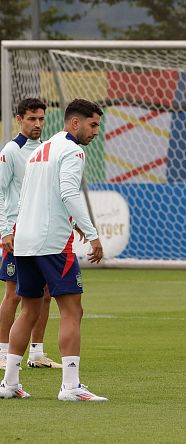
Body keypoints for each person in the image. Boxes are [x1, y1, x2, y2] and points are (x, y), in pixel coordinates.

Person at [0, 98, 106, 401]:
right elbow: (69, 191)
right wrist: (92, 232)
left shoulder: (41, 150)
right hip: (53, 244)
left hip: (25, 241)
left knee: (29, 309)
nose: (96, 131)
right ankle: (71, 387)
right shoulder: (73, 150)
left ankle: (9, 384)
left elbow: (36, 196)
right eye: (93, 124)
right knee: (73, 309)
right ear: (75, 123)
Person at [0, 98, 61, 371]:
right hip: (16, 233)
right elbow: (1, 192)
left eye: (41, 119)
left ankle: (37, 353)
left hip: (40, 232)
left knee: (45, 294)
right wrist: (4, 231)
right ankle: (3, 352)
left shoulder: (48, 149)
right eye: (32, 119)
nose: (37, 124)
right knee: (13, 295)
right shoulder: (11, 151)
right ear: (19, 119)